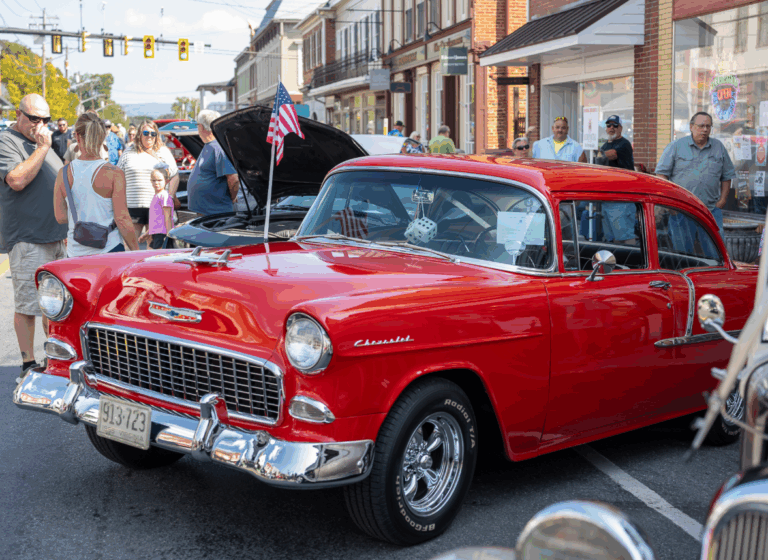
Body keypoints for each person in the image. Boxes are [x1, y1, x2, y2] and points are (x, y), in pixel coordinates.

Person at [0, 94, 68, 379]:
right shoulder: (8, 141)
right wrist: (42, 148)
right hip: (28, 236)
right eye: (34, 118)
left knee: (56, 305)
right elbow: (16, 180)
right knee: (29, 305)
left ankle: (53, 358)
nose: (40, 125)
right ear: (19, 115)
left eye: (46, 120)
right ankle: (28, 363)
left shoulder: (44, 143)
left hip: (55, 235)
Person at [52, 112, 138, 257]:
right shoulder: (114, 173)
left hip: (75, 252)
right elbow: (122, 218)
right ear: (102, 137)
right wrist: (136, 251)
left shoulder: (64, 173)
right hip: (109, 250)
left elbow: (60, 216)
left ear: (77, 137)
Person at [656, 111, 735, 240]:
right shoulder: (676, 146)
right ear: (691, 127)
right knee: (683, 254)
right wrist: (671, 204)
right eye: (701, 126)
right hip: (682, 210)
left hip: (710, 211)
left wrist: (722, 200)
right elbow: (661, 175)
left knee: (714, 254)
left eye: (708, 126)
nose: (704, 129)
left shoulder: (719, 147)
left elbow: (727, 176)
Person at [117, 119, 179, 240]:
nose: (149, 136)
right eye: (146, 133)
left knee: (154, 248)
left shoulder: (163, 152)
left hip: (157, 207)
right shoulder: (128, 152)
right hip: (132, 207)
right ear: (140, 134)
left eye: (153, 133)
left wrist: (169, 197)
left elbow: (175, 175)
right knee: (130, 247)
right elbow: (118, 176)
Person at [187, 110, 239, 216]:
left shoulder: (218, 148)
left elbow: (233, 178)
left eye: (197, 125)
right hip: (206, 211)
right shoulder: (209, 146)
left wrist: (232, 198)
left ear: (201, 127)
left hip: (215, 213)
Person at [138, 168, 175, 249]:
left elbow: (167, 217)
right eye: (154, 180)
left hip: (163, 234)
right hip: (156, 234)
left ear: (167, 181)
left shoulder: (164, 196)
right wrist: (147, 233)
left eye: (159, 180)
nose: (156, 183)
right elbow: (156, 220)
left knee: (160, 257)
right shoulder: (156, 196)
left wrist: (169, 236)